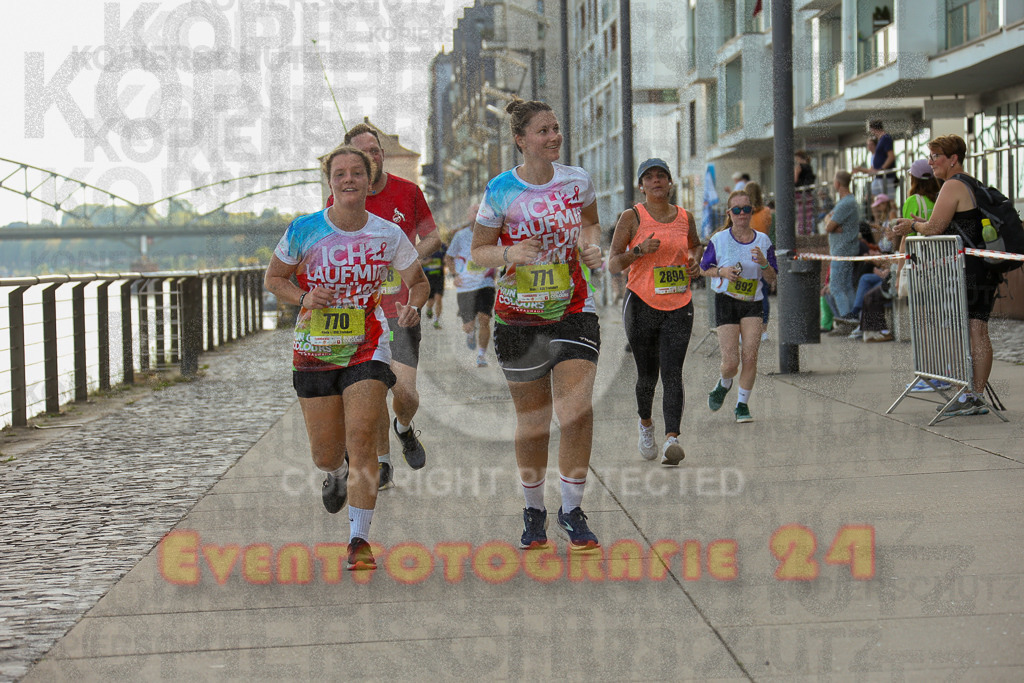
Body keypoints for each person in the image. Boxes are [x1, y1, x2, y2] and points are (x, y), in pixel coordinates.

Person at [264, 145, 429, 570]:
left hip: (367, 346)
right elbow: (274, 279)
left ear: (369, 179)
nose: (349, 180)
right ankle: (334, 474)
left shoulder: (386, 233)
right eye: (340, 174)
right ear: (330, 181)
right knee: (327, 452)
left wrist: (414, 305)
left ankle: (359, 540)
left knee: (361, 438)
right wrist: (303, 296)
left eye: (357, 172)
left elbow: (418, 281)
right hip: (314, 351)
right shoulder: (304, 229)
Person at [471, 97, 604, 551]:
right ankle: (534, 510)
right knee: (534, 423)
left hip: (572, 309)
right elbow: (478, 251)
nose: (554, 137)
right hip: (518, 316)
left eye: (556, 128)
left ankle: (571, 509)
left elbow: (590, 224)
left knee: (578, 411)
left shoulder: (577, 181)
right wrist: (510, 254)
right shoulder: (500, 190)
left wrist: (590, 248)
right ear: (521, 139)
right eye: (543, 130)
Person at [337, 123, 442, 489]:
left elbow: (432, 236)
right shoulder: (346, 200)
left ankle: (404, 427)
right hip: (362, 316)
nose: (372, 156)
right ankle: (382, 463)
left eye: (376, 150)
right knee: (372, 389)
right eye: (364, 151)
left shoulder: (408, 191)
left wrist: (402, 257)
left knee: (405, 393)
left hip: (403, 309)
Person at [890, 134, 1001, 416]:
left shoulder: (953, 185)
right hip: (984, 267)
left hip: (970, 270)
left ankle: (973, 394)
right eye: (930, 157)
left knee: (973, 329)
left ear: (953, 159)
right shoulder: (970, 182)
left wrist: (911, 225)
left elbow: (934, 227)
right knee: (978, 328)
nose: (931, 163)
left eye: (936, 157)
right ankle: (973, 393)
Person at [608, 158, 702, 465]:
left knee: (673, 373)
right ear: (641, 186)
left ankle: (671, 439)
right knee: (648, 376)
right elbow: (613, 263)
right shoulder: (632, 216)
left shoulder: (685, 216)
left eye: (662, 176)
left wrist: (693, 262)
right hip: (642, 304)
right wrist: (638, 252)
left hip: (679, 304)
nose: (656, 181)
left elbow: (695, 246)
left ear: (670, 183)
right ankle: (645, 424)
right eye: (649, 177)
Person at [699, 190, 778, 423]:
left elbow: (772, 278)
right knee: (730, 362)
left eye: (746, 209)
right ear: (729, 213)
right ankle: (724, 383)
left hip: (752, 302)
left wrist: (764, 264)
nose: (742, 214)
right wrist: (721, 271)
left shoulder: (763, 241)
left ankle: (742, 405)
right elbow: (703, 268)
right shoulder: (719, 239)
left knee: (750, 356)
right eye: (737, 209)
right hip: (726, 301)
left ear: (752, 211)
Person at [446, 203, 496, 367]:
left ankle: (481, 355)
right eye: (475, 211)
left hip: (485, 283)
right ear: (469, 216)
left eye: (482, 211)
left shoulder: (492, 234)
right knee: (468, 326)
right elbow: (449, 257)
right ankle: (470, 331)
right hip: (466, 286)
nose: (479, 213)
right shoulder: (460, 236)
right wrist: (455, 275)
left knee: (484, 318)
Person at [822, 170, 861, 330]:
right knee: (846, 286)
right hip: (845, 249)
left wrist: (831, 222)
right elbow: (829, 222)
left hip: (841, 250)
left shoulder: (845, 203)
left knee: (837, 286)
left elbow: (829, 226)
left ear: (837, 184)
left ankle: (846, 319)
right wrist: (830, 221)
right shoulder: (847, 202)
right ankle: (852, 318)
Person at [745, 181, 772, 341]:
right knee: (763, 293)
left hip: (746, 254)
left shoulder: (744, 213)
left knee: (746, 292)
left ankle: (748, 328)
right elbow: (767, 231)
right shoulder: (766, 212)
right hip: (762, 254)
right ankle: (764, 329)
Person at [868, 119, 898, 198]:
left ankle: (891, 210)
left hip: (885, 176)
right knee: (873, 195)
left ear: (873, 129)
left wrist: (881, 169)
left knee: (888, 199)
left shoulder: (886, 138)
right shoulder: (881, 139)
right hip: (879, 176)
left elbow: (891, 156)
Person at [422, 241, 447, 328]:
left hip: (439, 277)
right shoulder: (423, 246)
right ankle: (429, 309)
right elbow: (417, 262)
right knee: (431, 301)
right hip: (428, 278)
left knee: (438, 299)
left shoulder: (442, 246)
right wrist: (426, 262)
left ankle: (436, 321)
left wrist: (446, 260)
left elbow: (447, 257)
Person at [794, 150, 817, 235]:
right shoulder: (809, 167)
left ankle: (802, 231)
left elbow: (795, 180)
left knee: (801, 213)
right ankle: (807, 230)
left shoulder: (799, 167)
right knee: (808, 213)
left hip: (800, 192)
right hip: (808, 192)